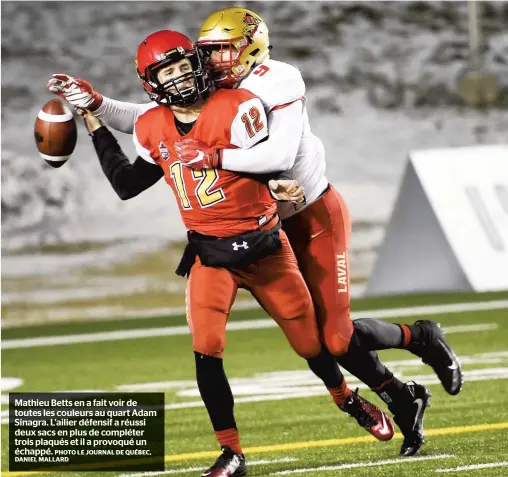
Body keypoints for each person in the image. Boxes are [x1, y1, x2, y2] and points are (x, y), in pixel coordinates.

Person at [48, 8, 463, 458]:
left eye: (224, 50)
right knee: (320, 338)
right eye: (207, 51)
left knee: (334, 338)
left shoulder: (276, 80)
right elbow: (153, 118)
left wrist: (209, 158)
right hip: (265, 221)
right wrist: (96, 106)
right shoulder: (209, 89)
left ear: (253, 47)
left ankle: (420, 337)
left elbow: (276, 156)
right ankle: (402, 397)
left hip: (310, 213)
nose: (215, 62)